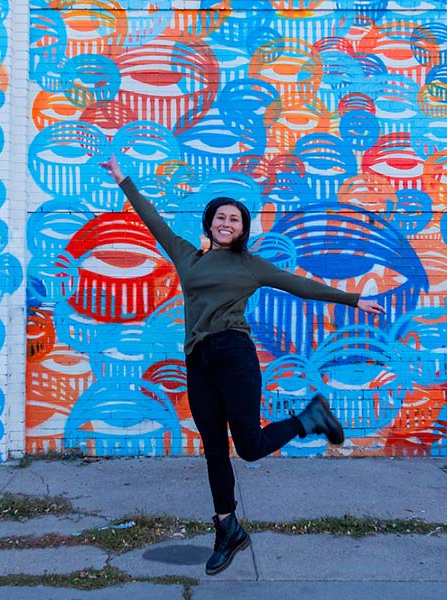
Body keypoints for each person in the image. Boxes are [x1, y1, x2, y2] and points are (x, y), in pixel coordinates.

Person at [98, 157, 387, 575]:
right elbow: (154, 221)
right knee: (214, 449)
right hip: (198, 361)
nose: (226, 222)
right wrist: (123, 180)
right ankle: (227, 528)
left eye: (234, 218)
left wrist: (354, 299)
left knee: (249, 447)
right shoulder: (188, 258)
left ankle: (310, 418)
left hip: (235, 355)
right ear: (210, 224)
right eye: (220, 217)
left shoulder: (251, 266)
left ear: (242, 228)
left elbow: (300, 285)